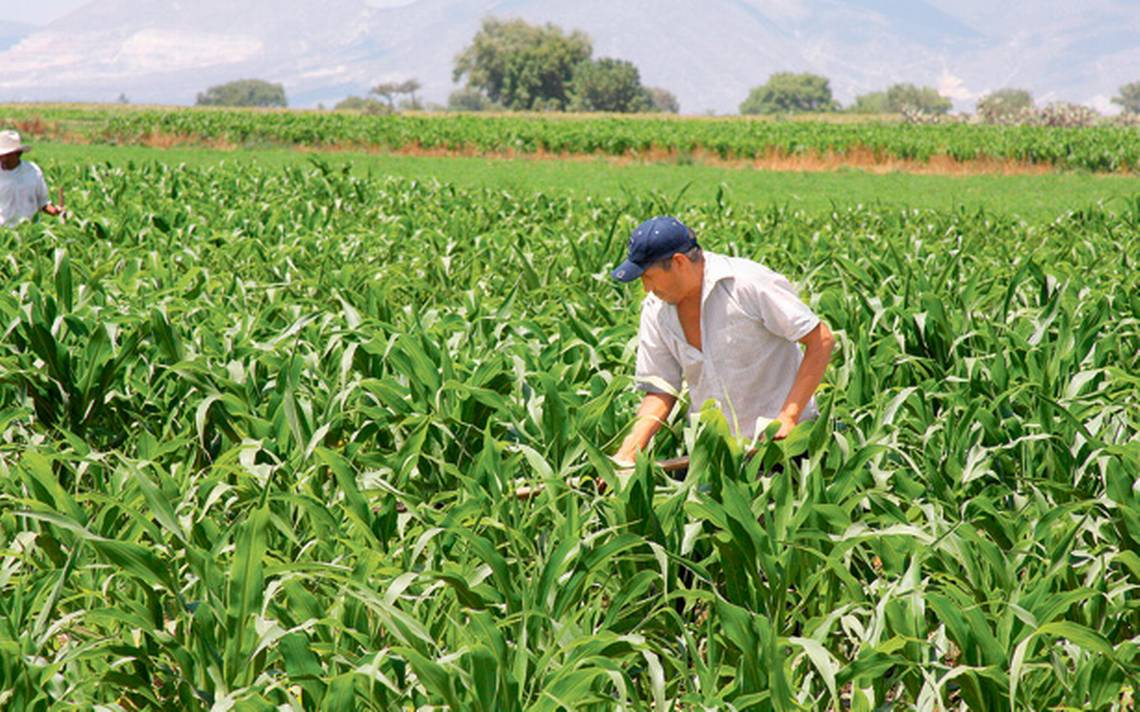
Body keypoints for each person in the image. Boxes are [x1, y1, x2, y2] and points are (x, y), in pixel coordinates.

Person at [612, 215, 834, 464]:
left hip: (785, 451)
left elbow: (821, 340)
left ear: (679, 262)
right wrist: (627, 452)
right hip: (718, 461)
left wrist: (788, 417)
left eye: (648, 277)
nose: (645, 288)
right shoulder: (655, 309)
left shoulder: (747, 284)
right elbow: (660, 391)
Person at [0, 130, 64, 227]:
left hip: (29, 231)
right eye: (1, 155)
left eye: (7, 155)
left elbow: (43, 202)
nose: (3, 159)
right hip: (3, 233)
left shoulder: (32, 171)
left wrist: (55, 211)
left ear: (18, 153)